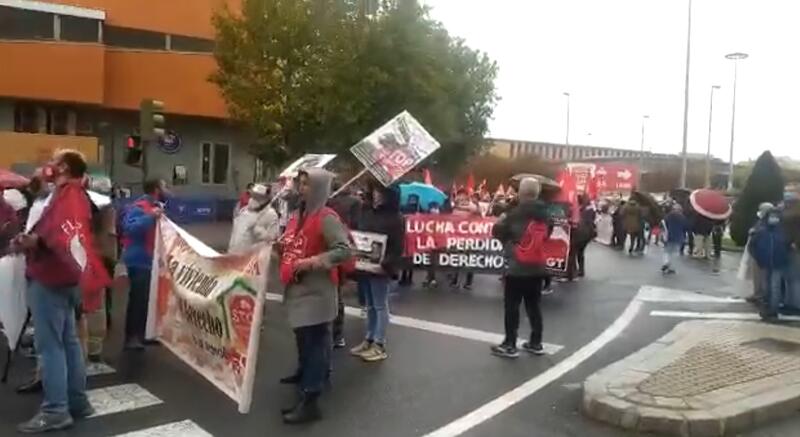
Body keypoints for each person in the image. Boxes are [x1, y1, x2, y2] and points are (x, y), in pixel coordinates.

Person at [14, 150, 97, 433]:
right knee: (68, 342)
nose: (48, 165)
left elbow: (58, 234)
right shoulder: (75, 194)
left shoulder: (67, 196)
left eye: (54, 161)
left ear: (62, 167)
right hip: (68, 278)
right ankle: (77, 402)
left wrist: (32, 241)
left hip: (50, 277)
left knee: (50, 347)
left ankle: (55, 410)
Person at [277, 169, 351, 424]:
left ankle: (311, 400)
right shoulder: (298, 215)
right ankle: (303, 375)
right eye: (301, 183)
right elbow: (292, 243)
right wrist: (280, 247)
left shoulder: (327, 217)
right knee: (303, 339)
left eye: (307, 184)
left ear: (319, 188)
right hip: (298, 288)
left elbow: (344, 250)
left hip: (317, 293)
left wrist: (313, 261)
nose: (302, 187)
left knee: (315, 344)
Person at [490, 177, 550, 358]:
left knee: (512, 306)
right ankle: (536, 342)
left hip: (517, 265)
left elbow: (498, 232)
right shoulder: (545, 213)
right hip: (538, 265)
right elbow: (547, 235)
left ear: (521, 193)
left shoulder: (515, 213)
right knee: (534, 305)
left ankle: (510, 344)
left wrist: (502, 223)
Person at [350, 182, 404, 363]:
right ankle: (369, 339)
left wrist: (386, 263)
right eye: (375, 191)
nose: (376, 195)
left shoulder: (396, 218)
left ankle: (379, 344)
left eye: (380, 192)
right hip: (365, 265)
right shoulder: (368, 212)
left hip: (381, 267)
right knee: (371, 306)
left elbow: (398, 246)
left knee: (380, 306)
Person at [121, 179, 167, 350]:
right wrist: (150, 217)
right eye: (164, 186)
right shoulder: (139, 207)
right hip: (139, 260)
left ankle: (143, 334)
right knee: (138, 300)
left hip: (150, 260)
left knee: (148, 300)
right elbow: (129, 228)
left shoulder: (156, 207)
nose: (166, 190)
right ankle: (131, 337)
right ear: (156, 189)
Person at [327, 182, 362, 348]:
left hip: (331, 257)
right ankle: (337, 334)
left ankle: (334, 333)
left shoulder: (331, 204)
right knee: (337, 297)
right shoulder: (353, 202)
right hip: (338, 256)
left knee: (334, 297)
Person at [749, 207, 792, 320]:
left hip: (778, 263)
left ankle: (773, 309)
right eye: (772, 216)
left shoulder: (783, 231)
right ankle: (767, 307)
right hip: (765, 263)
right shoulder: (761, 231)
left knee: (775, 286)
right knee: (766, 286)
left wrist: (784, 258)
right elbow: (752, 246)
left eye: (776, 217)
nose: (774, 219)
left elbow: (788, 246)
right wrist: (758, 258)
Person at [228, 183, 280, 254]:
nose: (253, 200)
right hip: (235, 255)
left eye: (258, 197)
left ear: (265, 199)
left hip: (253, 258)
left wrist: (257, 230)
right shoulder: (244, 211)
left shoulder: (271, 214)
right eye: (253, 196)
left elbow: (273, 238)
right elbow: (235, 233)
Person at [450, 189, 479, 290]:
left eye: (462, 196)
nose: (460, 198)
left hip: (469, 238)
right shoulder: (454, 208)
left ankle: (468, 282)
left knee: (469, 260)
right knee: (456, 259)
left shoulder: (472, 207)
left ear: (466, 197)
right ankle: (455, 280)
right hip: (457, 237)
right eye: (459, 196)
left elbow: (477, 214)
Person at [568, 195, 596, 280]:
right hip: (586, 235)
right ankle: (581, 270)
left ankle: (572, 273)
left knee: (572, 253)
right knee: (580, 252)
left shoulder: (577, 211)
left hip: (578, 233)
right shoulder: (589, 210)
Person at [662, 204, 688, 274]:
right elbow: (685, 227)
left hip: (669, 235)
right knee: (675, 253)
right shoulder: (682, 217)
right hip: (679, 236)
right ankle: (671, 267)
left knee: (667, 251)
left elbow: (664, 224)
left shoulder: (668, 216)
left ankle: (666, 262)